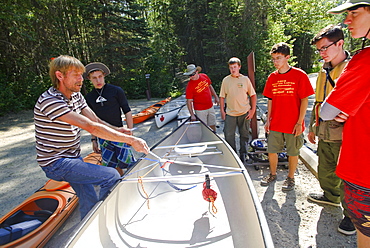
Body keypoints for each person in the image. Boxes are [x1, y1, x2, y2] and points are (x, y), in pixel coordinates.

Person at [34, 55, 149, 219]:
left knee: (88, 198)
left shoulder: (76, 96)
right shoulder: (50, 101)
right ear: (60, 76)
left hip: (73, 158)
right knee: (112, 175)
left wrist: (117, 129)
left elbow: (95, 120)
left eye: (81, 75)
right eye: (76, 75)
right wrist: (131, 140)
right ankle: (108, 216)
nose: (81, 79)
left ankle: (89, 224)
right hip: (56, 163)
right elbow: (90, 127)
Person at [320, 1, 370, 247]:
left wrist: (347, 110)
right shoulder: (323, 70)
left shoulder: (364, 61)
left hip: (364, 170)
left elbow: (328, 110)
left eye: (354, 13)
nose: (347, 20)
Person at [307, 25, 355, 235]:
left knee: (348, 176)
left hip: (345, 134)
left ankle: (352, 217)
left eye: (325, 48)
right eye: (319, 50)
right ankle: (331, 197)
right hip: (324, 131)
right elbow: (318, 102)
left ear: (340, 44)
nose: (322, 53)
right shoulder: (323, 71)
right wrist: (311, 127)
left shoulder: (353, 69)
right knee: (325, 169)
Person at [261, 42, 314, 191]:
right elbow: (270, 100)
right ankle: (272, 174)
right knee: (272, 150)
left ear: (287, 57)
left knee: (292, 152)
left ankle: (290, 178)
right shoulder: (272, 77)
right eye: (273, 59)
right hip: (276, 122)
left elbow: (305, 99)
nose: (275, 62)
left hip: (293, 123)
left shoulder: (299, 75)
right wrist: (268, 120)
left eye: (278, 58)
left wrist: (299, 122)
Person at [84, 62, 135, 176]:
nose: (98, 80)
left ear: (104, 75)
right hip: (103, 136)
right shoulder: (89, 97)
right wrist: (94, 140)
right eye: (94, 78)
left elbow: (127, 111)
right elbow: (92, 121)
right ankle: (120, 183)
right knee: (112, 166)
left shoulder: (116, 90)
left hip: (120, 132)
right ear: (89, 79)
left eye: (100, 77)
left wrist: (130, 132)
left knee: (129, 163)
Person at [219, 57, 256, 162]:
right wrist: (222, 111)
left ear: (239, 67)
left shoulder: (245, 79)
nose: (233, 69)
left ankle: (243, 154)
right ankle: (233, 155)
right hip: (230, 113)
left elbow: (253, 95)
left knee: (244, 135)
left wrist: (252, 110)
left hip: (244, 113)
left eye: (235, 67)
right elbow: (222, 97)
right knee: (228, 134)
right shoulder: (226, 80)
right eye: (231, 68)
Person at [184, 64, 219, 132]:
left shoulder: (204, 76)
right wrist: (192, 115)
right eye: (189, 75)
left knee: (212, 124)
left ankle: (214, 138)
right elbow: (189, 102)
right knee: (204, 128)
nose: (191, 77)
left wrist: (216, 97)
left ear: (197, 71)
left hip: (210, 106)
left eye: (192, 74)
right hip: (200, 110)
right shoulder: (189, 86)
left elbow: (210, 86)